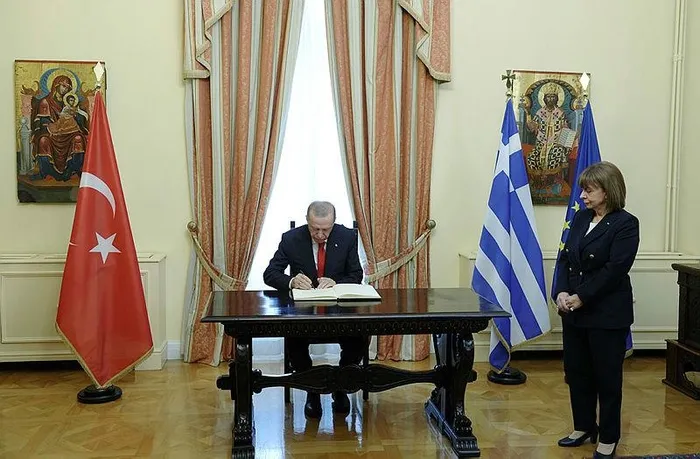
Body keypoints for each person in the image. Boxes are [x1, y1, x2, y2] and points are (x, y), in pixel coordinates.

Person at [553, 161, 640, 458]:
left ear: (608, 190)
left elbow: (615, 269)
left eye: (588, 190)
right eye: (583, 190)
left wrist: (582, 296)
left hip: (606, 314)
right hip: (574, 311)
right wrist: (561, 292)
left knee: (607, 378)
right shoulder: (580, 218)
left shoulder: (626, 224)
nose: (582, 196)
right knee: (577, 373)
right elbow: (565, 259)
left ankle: (608, 436)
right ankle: (584, 426)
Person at [263, 201, 366, 419]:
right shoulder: (291, 239)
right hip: (304, 312)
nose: (320, 235)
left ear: (333, 223)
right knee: (294, 341)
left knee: (359, 337)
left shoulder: (347, 237)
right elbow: (270, 274)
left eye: (325, 229)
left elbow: (356, 275)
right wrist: (291, 281)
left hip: (339, 312)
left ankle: (341, 385)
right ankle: (312, 390)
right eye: (315, 229)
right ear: (307, 222)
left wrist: (336, 282)